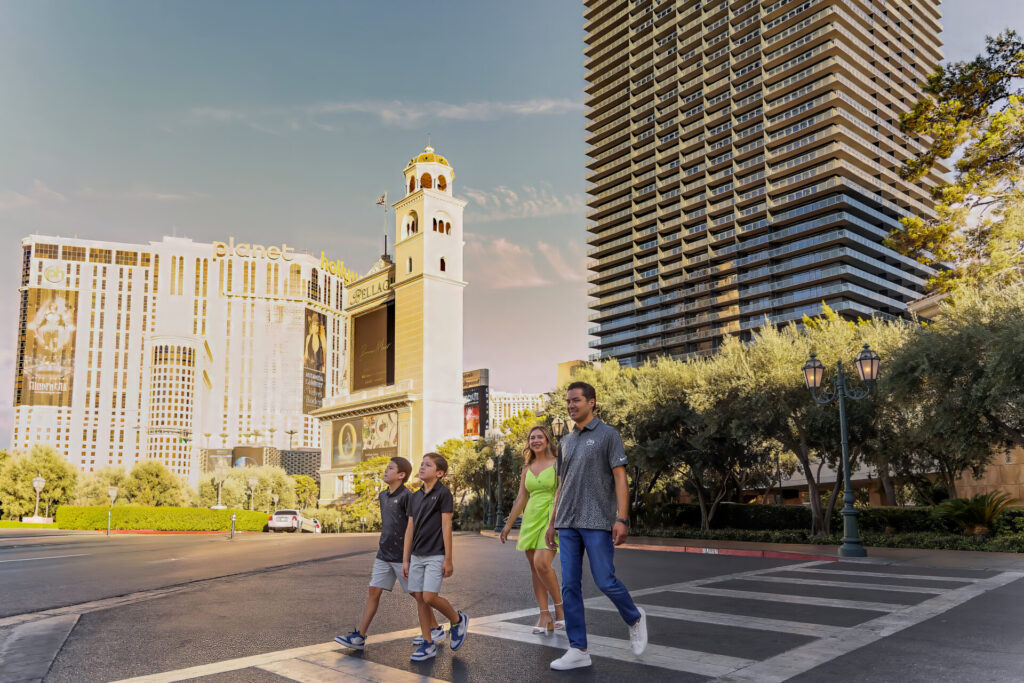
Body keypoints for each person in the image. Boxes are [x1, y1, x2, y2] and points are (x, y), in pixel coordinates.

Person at [545, 381, 648, 671]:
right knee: (569, 586)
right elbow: (562, 484)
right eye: (567, 401)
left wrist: (622, 518)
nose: (570, 405)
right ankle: (578, 648)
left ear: (592, 402)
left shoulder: (608, 435)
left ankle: (634, 617)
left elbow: (620, 478)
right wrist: (552, 522)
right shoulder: (565, 441)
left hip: (597, 520)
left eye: (576, 400)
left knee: (604, 580)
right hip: (567, 522)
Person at [334, 457, 443, 650]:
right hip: (384, 553)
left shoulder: (408, 497)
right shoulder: (383, 496)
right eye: (386, 468)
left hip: (403, 556)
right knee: (373, 591)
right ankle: (360, 636)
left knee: (418, 596)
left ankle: (435, 629)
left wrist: (410, 556)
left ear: (401, 475)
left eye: (390, 468)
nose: (386, 471)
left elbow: (414, 527)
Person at [403, 453, 470, 661]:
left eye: (428, 465)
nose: (422, 467)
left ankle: (457, 619)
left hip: (435, 554)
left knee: (429, 597)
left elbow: (446, 526)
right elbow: (410, 528)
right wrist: (406, 559)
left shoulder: (444, 494)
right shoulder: (414, 496)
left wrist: (448, 558)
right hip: (416, 555)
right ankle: (428, 643)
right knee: (420, 599)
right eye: (421, 464)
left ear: (439, 473)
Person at [499, 425, 565, 634]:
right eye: (532, 438)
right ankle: (544, 614)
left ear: (547, 440)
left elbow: (560, 493)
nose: (535, 440)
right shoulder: (527, 468)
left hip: (550, 516)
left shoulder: (558, 464)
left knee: (542, 564)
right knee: (535, 570)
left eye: (539, 437)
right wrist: (508, 525)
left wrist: (554, 523)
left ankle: (560, 609)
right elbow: (522, 497)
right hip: (531, 519)